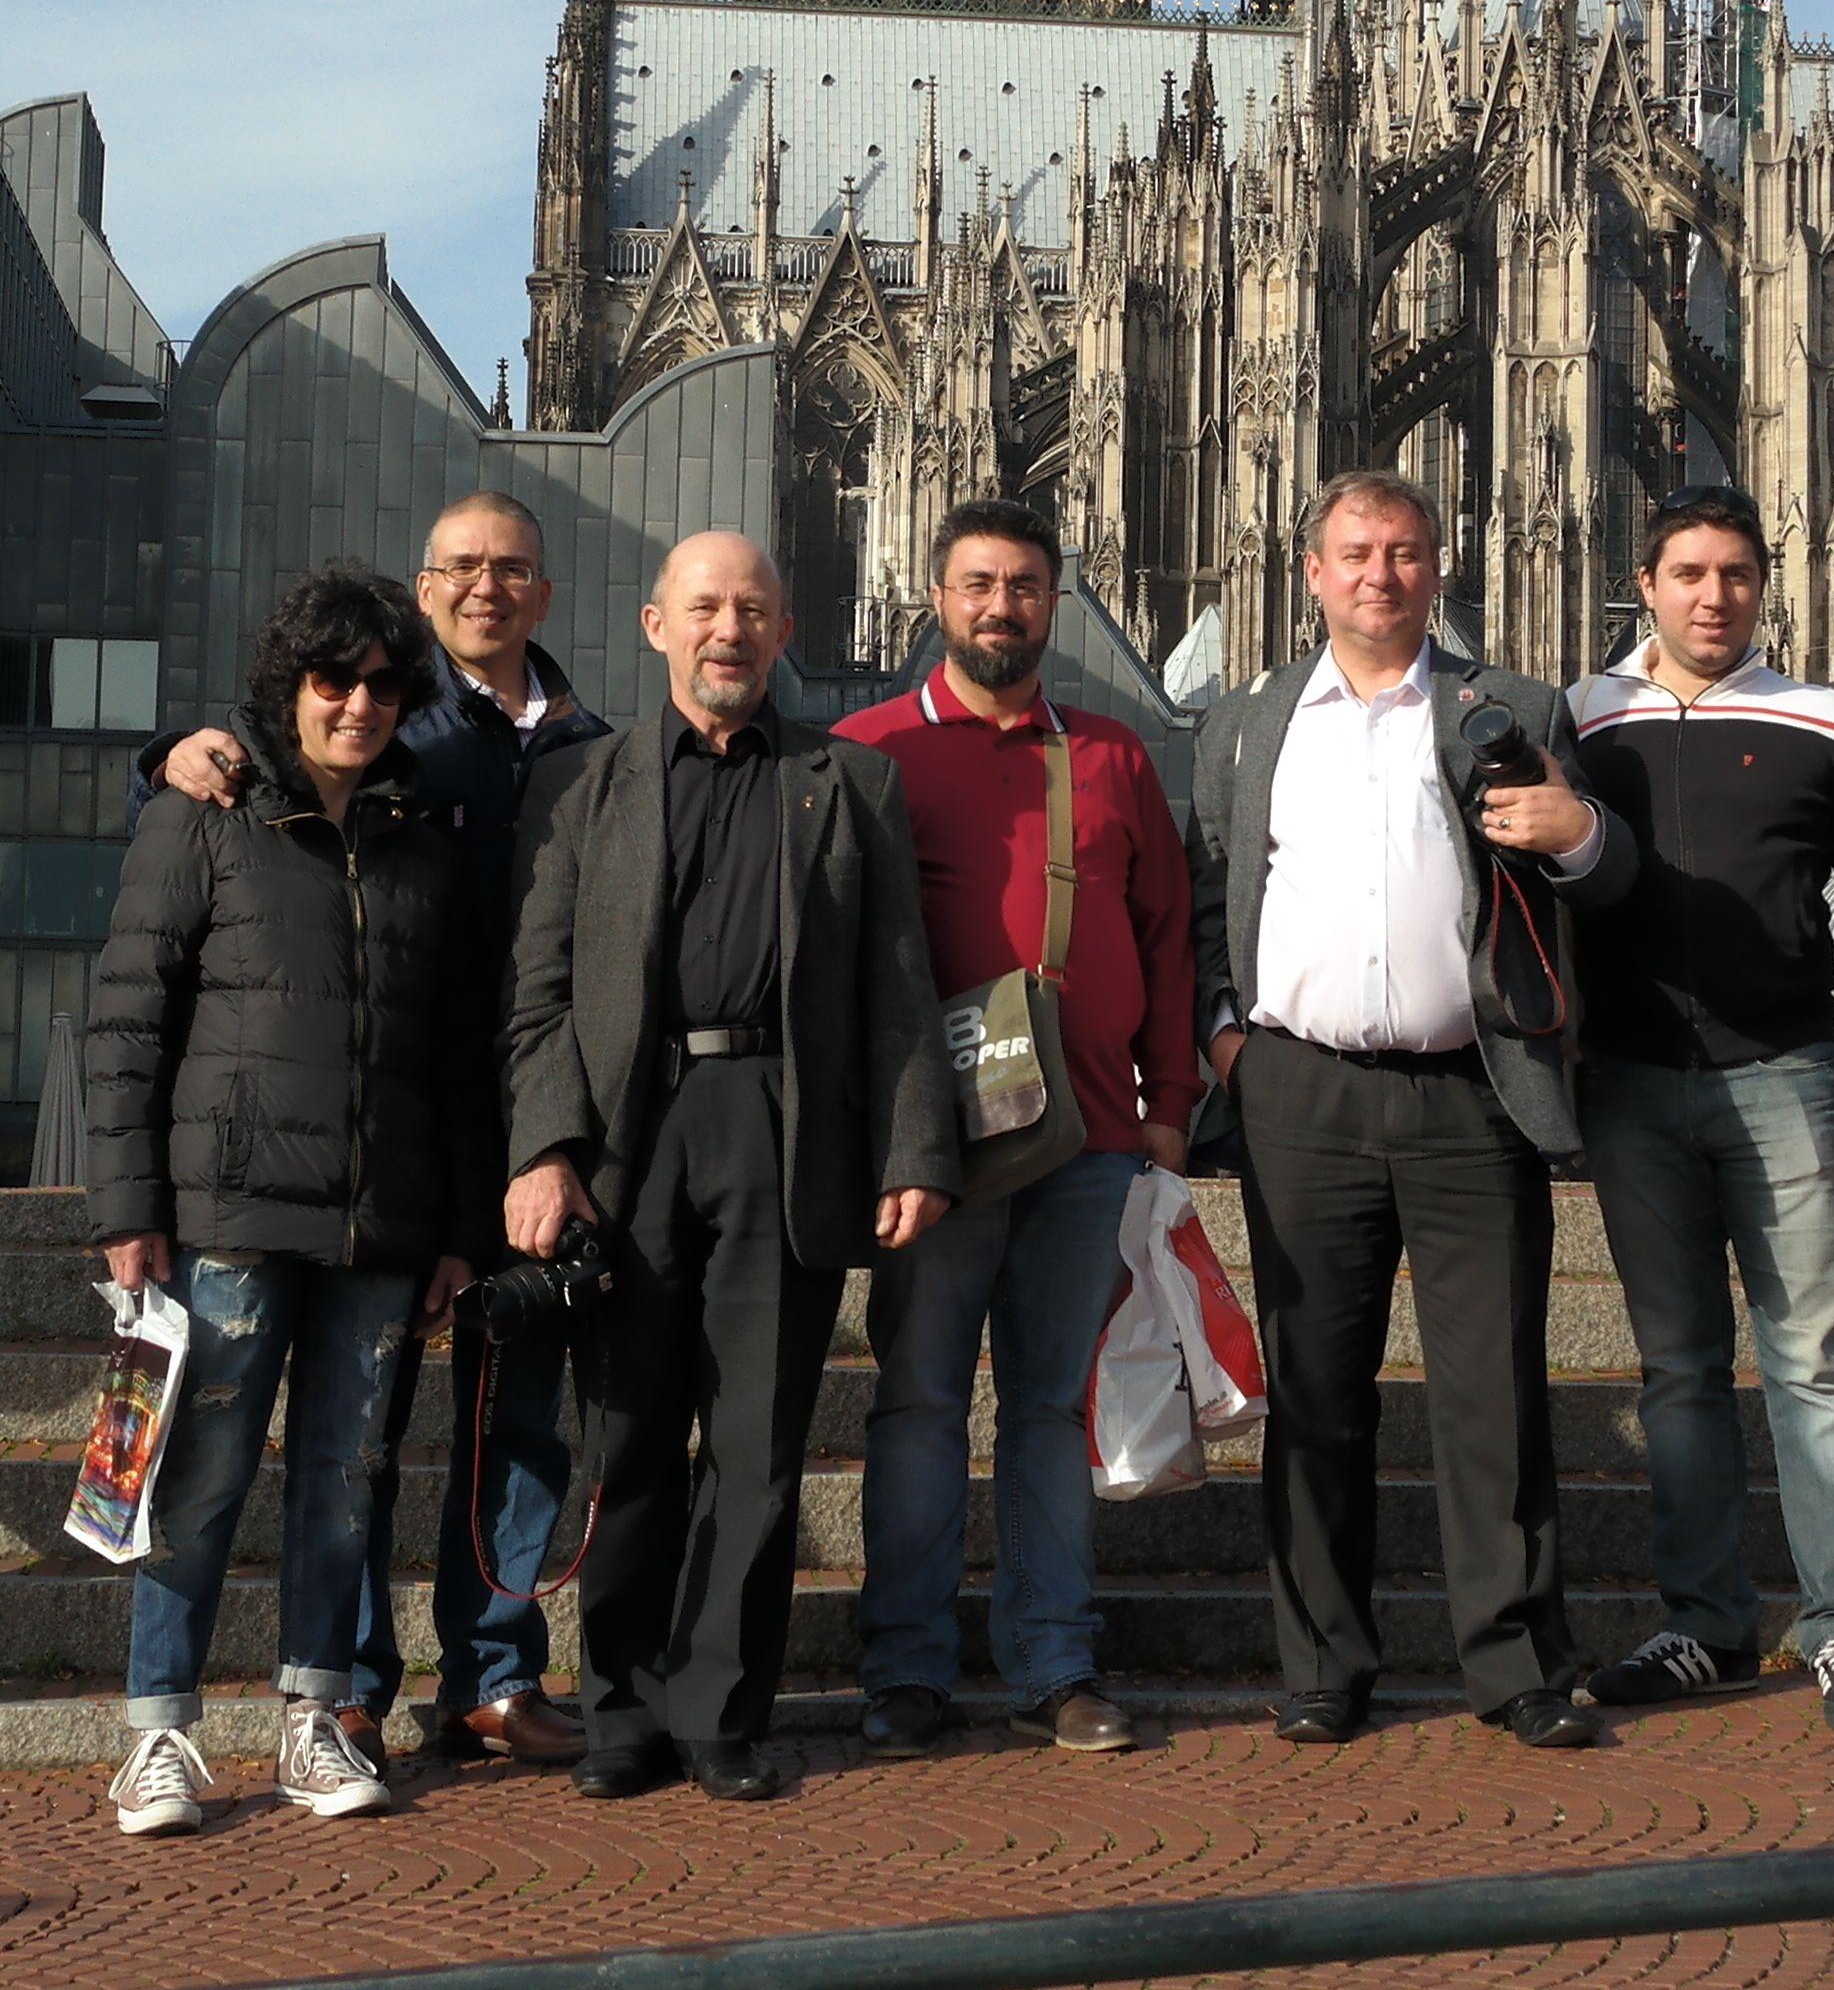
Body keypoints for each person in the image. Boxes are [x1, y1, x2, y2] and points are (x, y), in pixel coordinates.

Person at [134, 491, 608, 1772]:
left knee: (518, 1424)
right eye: (461, 567)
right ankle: (343, 1685)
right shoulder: (388, 725)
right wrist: (171, 749)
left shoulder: (592, 743)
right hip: (381, 1126)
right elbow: (242, 799)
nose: (487, 587)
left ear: (545, 594)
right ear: (427, 582)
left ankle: (493, 1672)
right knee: (363, 1427)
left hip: (535, 1119)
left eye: (512, 568)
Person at [503, 529, 958, 1803]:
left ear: (784, 627)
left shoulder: (848, 781)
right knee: (631, 1433)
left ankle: (721, 1710)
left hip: (784, 1119)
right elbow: (535, 991)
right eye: (705, 606)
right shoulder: (585, 785)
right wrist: (546, 1148)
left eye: (753, 608)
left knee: (757, 1443)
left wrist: (914, 1143)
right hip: (633, 1133)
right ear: (657, 625)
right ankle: (620, 1706)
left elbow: (898, 992)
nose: (730, 630)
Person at [1189, 470, 1631, 1750]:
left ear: (1440, 568)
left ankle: (1515, 1663)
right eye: (1356, 552)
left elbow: (1604, 885)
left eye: (1405, 551)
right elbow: (1208, 877)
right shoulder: (1250, 722)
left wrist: (1584, 830)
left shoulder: (1516, 705)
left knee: (1493, 1391)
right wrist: (1227, 1041)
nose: (1381, 572)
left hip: (1470, 1088)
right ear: (1312, 569)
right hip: (1300, 1092)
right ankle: (1325, 1658)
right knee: (1317, 1391)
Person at [85, 566, 497, 1836]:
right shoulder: (204, 810)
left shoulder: (425, 842)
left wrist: (459, 1232)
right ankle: (157, 1729)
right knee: (198, 1477)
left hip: (379, 1224)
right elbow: (126, 1016)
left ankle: (314, 1718)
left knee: (346, 1479)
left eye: (384, 682)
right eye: (336, 678)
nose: (360, 702)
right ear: (290, 686)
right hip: (230, 1216)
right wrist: (126, 1204)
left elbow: (455, 1054)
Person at [1565, 485, 1834, 1735]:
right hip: (1629, 1080)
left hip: (1785, 1074)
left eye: (1734, 573)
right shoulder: (1582, 718)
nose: (1712, 595)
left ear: (1762, 586)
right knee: (1677, 1369)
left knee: (1815, 1366)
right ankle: (1706, 1622)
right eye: (1689, 573)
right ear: (1647, 583)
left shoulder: (1820, 717)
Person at [835, 500, 1197, 1759]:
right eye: (981, 583)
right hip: (936, 1151)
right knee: (922, 1400)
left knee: (1051, 1408)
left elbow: (1165, 930)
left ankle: (1055, 1659)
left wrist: (1168, 1111)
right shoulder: (865, 750)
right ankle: (909, 1667)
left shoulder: (1113, 754)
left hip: (1093, 1138)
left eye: (1026, 585)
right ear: (938, 597)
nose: (1003, 606)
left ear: (1053, 599)